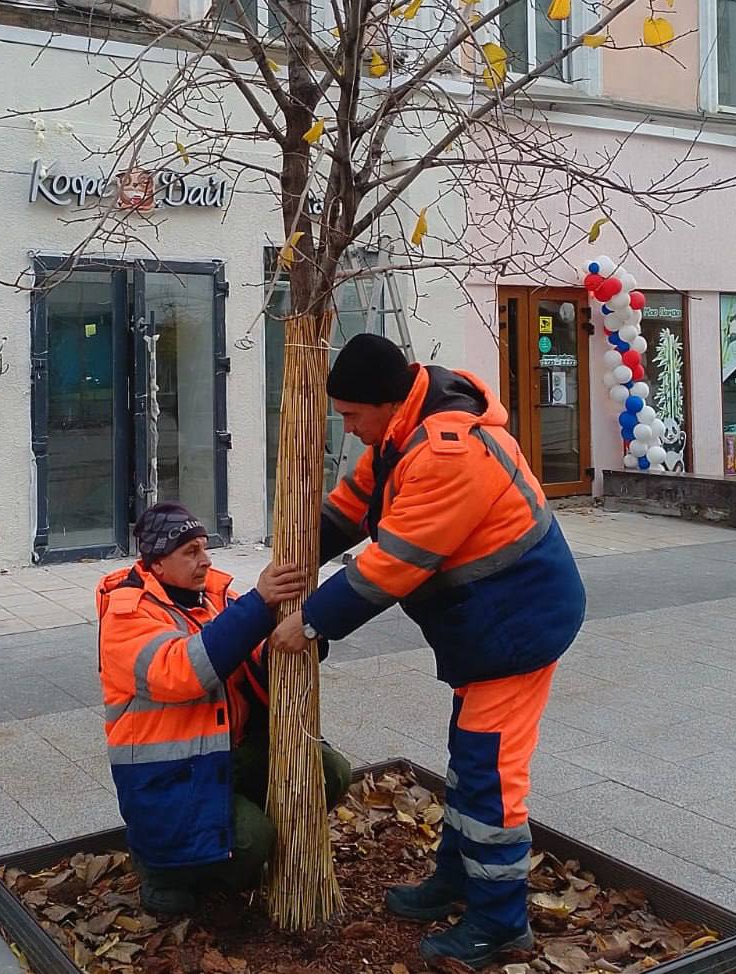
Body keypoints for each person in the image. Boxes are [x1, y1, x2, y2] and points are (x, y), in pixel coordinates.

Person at [271, 334, 586, 970]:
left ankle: (501, 924)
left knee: (491, 778)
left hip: (516, 629)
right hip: (487, 629)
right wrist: (295, 558)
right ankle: (456, 881)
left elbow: (394, 566)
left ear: (385, 403)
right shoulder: (402, 430)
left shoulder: (447, 451)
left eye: (353, 417)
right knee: (471, 763)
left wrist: (310, 624)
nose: (349, 430)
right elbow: (354, 504)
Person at [96, 501, 352, 915]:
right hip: (171, 776)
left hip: (225, 753)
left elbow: (252, 654)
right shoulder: (127, 615)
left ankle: (226, 846)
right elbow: (184, 671)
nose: (205, 560)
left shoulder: (213, 594)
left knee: (329, 772)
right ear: (157, 564)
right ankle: (164, 874)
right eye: (190, 552)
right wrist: (259, 604)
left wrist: (297, 635)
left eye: (204, 547)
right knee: (250, 842)